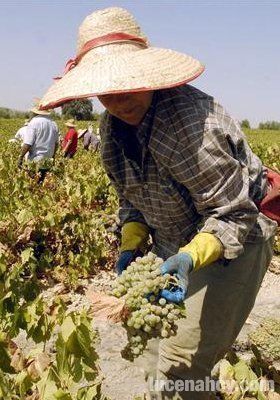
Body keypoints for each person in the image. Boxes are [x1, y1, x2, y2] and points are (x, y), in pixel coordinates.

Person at [39, 7, 277, 399]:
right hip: (174, 240)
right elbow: (130, 200)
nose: (119, 100)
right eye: (107, 90)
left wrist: (188, 259)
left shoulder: (192, 127)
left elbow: (234, 216)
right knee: (153, 351)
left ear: (147, 76)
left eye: (128, 85)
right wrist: (131, 243)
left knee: (182, 367)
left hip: (238, 242)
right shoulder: (112, 131)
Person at [18, 105, 59, 183]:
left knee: (33, 186)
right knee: (43, 186)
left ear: (35, 112)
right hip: (48, 160)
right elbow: (56, 144)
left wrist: (20, 157)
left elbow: (28, 143)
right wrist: (53, 157)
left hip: (35, 161)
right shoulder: (54, 124)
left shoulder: (34, 122)